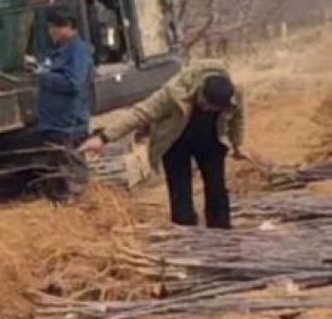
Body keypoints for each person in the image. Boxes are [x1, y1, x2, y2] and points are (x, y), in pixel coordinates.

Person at [80, 63, 247, 229]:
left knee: (217, 188)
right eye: (206, 105)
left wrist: (237, 145)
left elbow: (238, 119)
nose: (208, 109)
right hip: (176, 140)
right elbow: (140, 113)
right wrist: (104, 137)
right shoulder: (174, 92)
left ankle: (221, 231)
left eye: (214, 109)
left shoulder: (233, 94)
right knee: (180, 191)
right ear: (200, 90)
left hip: (211, 140)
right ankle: (187, 235)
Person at [26, 7, 94, 146]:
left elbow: (73, 82)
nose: (51, 32)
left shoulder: (78, 51)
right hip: (52, 126)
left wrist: (43, 75)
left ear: (68, 25)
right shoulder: (58, 50)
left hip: (68, 128)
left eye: (54, 27)